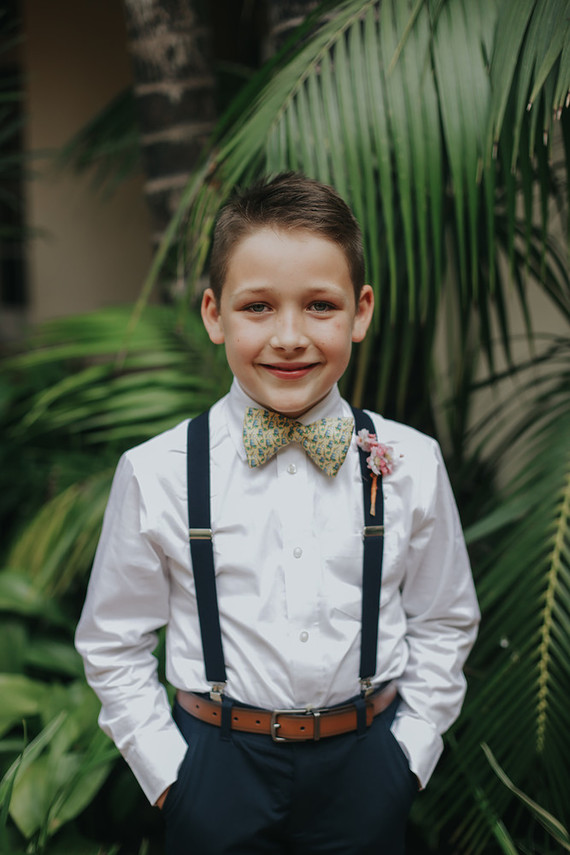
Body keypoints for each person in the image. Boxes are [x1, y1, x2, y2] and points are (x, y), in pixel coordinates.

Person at [75, 172, 480, 855]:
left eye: (320, 305)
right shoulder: (157, 471)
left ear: (360, 312)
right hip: (215, 767)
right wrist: (171, 777)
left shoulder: (411, 461)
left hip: (366, 764)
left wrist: (408, 754)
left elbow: (445, 618)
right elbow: (113, 639)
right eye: (258, 307)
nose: (289, 336)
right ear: (214, 314)